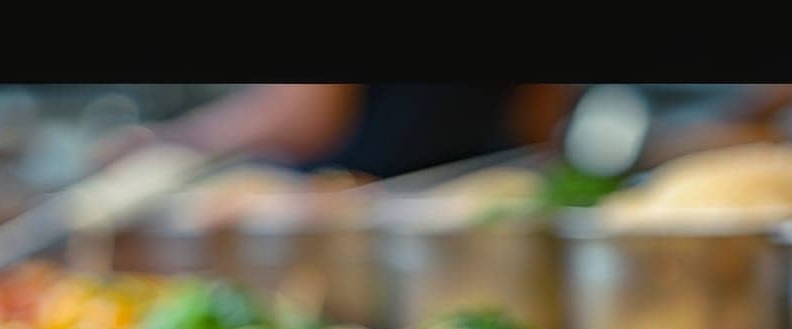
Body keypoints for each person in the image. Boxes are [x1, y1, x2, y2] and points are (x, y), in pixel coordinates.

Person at [96, 84, 577, 179]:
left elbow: (305, 118)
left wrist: (173, 140)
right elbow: (540, 118)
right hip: (473, 205)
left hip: (357, 207)